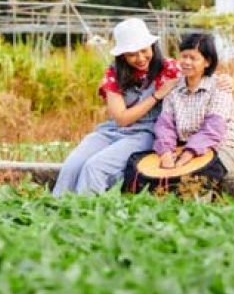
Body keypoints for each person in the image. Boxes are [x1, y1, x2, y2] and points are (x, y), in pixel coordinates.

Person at [52, 18, 181, 196]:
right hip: (112, 130)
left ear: (153, 46)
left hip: (146, 133)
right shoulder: (114, 73)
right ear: (122, 56)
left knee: (95, 167)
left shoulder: (170, 68)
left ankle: (85, 216)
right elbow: (121, 119)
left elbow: (201, 76)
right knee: (72, 165)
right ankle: (58, 211)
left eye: (144, 50)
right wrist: (156, 95)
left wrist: (223, 81)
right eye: (131, 54)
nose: (140, 58)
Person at [126, 33, 234, 187]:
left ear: (207, 62)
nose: (186, 62)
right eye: (184, 56)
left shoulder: (219, 87)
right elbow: (164, 126)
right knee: (135, 167)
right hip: (181, 148)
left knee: (195, 177)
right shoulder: (174, 88)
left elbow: (213, 129)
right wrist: (166, 153)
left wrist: (188, 154)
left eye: (193, 58)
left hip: (221, 148)